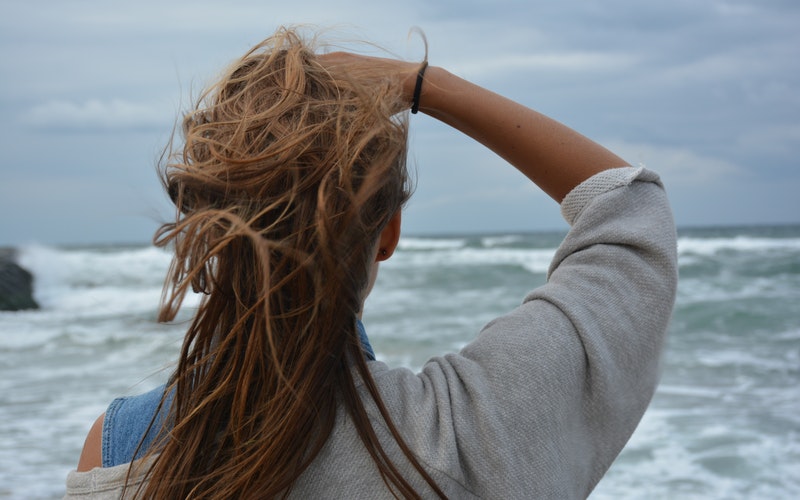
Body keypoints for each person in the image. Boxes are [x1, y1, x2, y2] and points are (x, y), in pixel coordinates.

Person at [65, 26, 677, 499]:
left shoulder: (123, 451)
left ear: (210, 232)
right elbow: (630, 210)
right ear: (388, 233)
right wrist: (423, 86)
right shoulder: (467, 433)